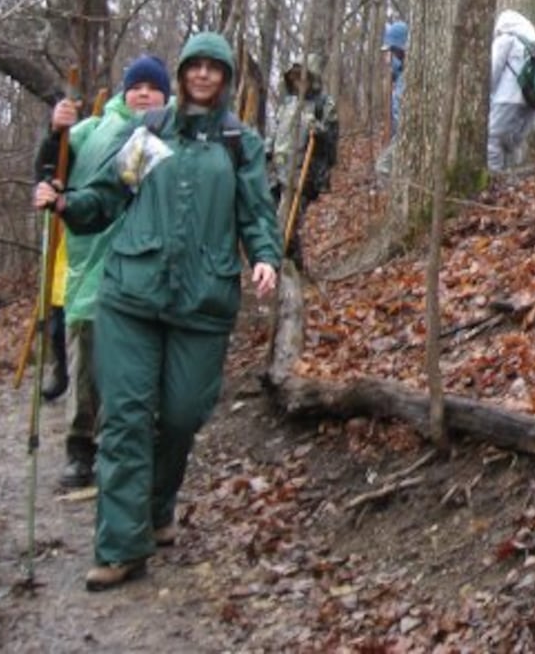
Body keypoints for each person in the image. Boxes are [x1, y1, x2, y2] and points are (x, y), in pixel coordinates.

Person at [34, 33, 280, 592]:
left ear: (224, 79)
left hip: (204, 299)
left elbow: (258, 214)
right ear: (183, 72)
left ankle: (158, 505)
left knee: (182, 414)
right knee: (124, 417)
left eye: (213, 69)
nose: (202, 76)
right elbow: (109, 197)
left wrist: (264, 257)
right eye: (193, 66)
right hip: (132, 295)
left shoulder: (238, 144)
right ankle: (120, 545)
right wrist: (66, 201)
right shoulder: (151, 133)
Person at [32, 55, 172, 490]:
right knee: (87, 360)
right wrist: (56, 130)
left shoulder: (167, 134)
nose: (144, 93)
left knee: (134, 369)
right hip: (91, 264)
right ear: (122, 91)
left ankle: (124, 454)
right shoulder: (94, 129)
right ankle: (80, 451)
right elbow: (50, 168)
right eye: (136, 86)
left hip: (145, 268)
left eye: (153, 87)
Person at [265, 55, 339, 265]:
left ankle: (282, 264)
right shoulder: (287, 104)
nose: (299, 82)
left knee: (286, 219)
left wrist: (319, 130)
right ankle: (293, 263)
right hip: (277, 168)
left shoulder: (324, 104)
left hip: (303, 172)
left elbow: (332, 139)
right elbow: (275, 131)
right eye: (295, 78)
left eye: (303, 78)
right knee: (272, 216)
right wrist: (267, 151)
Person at [488, 10, 535, 172]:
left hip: (507, 98)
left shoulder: (506, 39)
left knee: (493, 139)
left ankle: (495, 179)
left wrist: (488, 93)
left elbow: (494, 69)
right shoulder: (534, 44)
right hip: (532, 101)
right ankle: (512, 182)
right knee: (514, 143)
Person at [376, 19, 408, 179]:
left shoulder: (412, 73)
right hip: (398, 134)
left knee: (383, 167)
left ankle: (389, 202)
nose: (393, 54)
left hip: (407, 134)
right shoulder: (400, 71)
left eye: (395, 50)